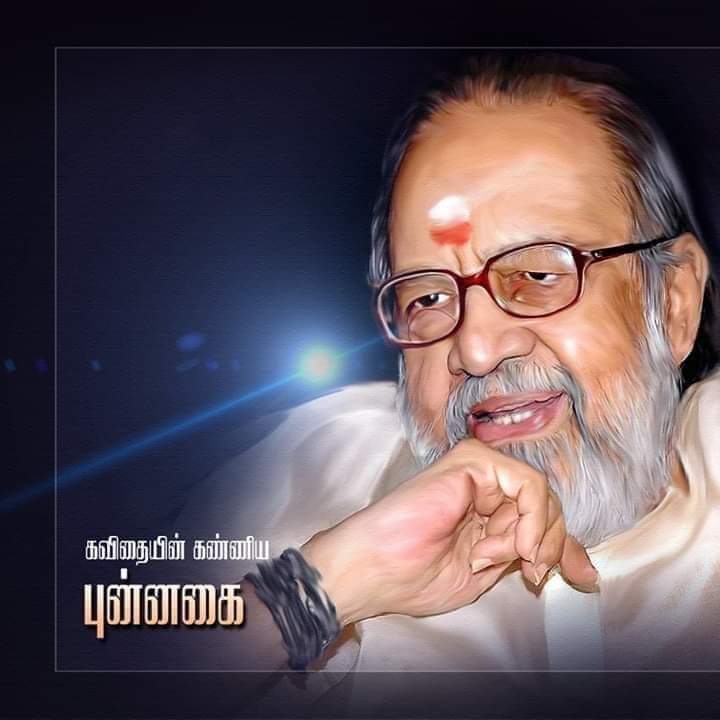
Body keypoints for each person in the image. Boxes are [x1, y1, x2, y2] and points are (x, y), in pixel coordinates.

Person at [176, 52, 720, 701]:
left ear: (674, 302)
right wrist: (324, 587)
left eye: (538, 274)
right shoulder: (316, 472)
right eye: (429, 298)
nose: (478, 350)